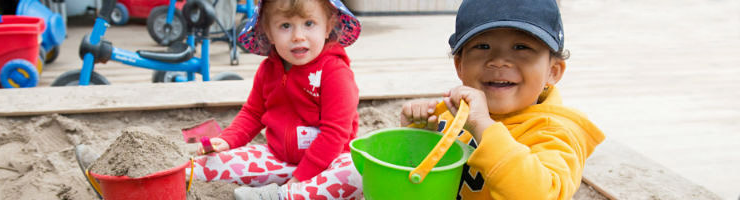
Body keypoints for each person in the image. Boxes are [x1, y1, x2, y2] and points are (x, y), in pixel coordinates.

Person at [400, 0, 605, 199]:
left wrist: (483, 127)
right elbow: (418, 183)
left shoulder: (555, 132)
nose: (498, 61)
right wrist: (419, 138)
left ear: (553, 71)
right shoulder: (451, 114)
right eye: (482, 46)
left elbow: (540, 195)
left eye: (521, 47)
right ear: (459, 65)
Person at [188, 0, 363, 199]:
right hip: (278, 158)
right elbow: (252, 113)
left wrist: (300, 179)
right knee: (207, 164)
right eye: (285, 26)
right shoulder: (268, 70)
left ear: (328, 27)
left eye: (309, 23)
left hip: (328, 162)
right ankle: (184, 174)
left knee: (356, 173)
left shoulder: (334, 71)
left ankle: (281, 195)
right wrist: (226, 140)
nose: (298, 36)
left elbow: (335, 133)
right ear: (269, 32)